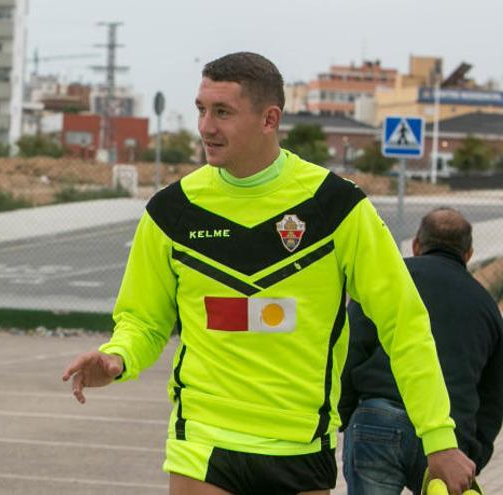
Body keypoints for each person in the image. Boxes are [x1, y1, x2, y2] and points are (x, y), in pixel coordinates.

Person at [62, 52, 476, 495]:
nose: (206, 126)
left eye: (223, 112)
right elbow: (143, 320)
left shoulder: (336, 207)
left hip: (300, 445)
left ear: (269, 119)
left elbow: (404, 324)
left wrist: (439, 440)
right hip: (203, 441)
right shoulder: (171, 212)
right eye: (201, 109)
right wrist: (118, 357)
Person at [341, 207, 503, 494]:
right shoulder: (487, 306)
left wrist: (345, 415)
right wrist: (471, 455)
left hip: (379, 418)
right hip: (450, 435)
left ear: (416, 245)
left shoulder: (388, 283)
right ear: (468, 254)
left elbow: (350, 349)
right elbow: (493, 396)